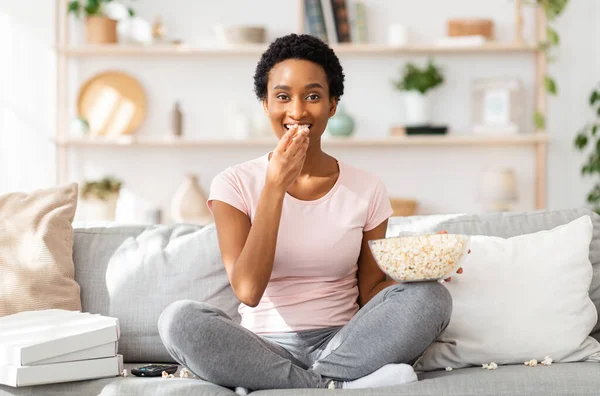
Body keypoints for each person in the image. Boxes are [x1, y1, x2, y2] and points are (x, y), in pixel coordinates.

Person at [158, 33, 458, 392]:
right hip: (262, 348)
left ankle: (305, 383)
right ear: (265, 104)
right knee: (177, 320)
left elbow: (369, 292)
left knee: (431, 298)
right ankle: (331, 385)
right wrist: (274, 187)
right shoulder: (233, 184)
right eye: (282, 96)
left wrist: (423, 269)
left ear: (333, 105)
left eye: (313, 96)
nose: (297, 111)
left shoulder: (367, 187)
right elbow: (248, 290)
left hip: (345, 342)